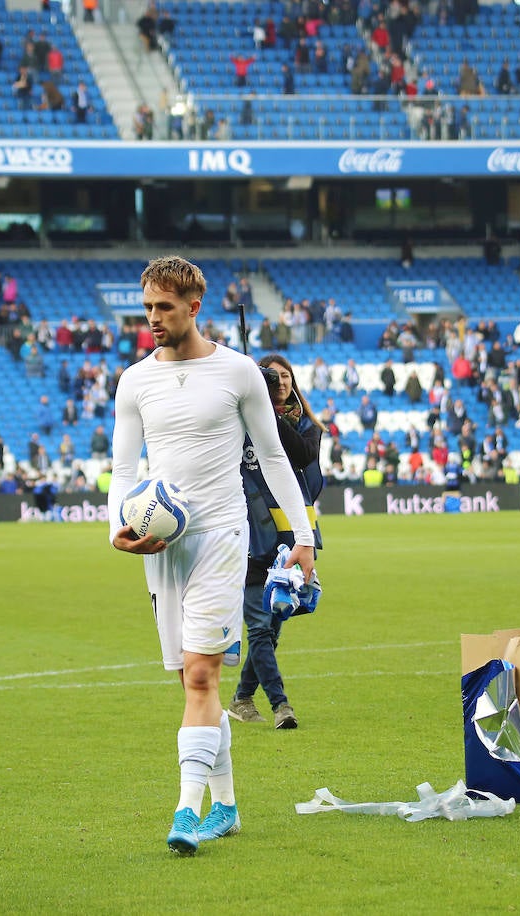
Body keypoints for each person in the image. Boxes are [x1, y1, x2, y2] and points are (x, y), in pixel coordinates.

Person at [108, 257, 314, 856]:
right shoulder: (134, 381)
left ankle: (185, 812)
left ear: (194, 307)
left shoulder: (239, 372)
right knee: (191, 685)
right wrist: (116, 530)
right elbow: (124, 471)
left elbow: (275, 458)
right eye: (148, 308)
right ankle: (224, 805)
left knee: (202, 676)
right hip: (162, 548)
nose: (154, 319)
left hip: (223, 539)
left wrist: (300, 537)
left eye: (165, 308)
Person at [229, 354, 324, 730]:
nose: (279, 382)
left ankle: (240, 697)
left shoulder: (306, 427)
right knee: (260, 628)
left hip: (293, 537)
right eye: (271, 378)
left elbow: (301, 456)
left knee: (274, 624)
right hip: (250, 534)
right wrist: (254, 408)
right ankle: (281, 705)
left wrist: (268, 415)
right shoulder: (241, 423)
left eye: (285, 377)